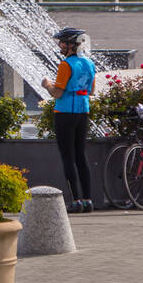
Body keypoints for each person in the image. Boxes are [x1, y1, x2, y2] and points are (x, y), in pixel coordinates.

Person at [40, 26, 96, 213]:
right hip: (83, 111)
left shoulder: (66, 65)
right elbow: (92, 91)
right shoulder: (89, 63)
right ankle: (88, 200)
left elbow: (57, 93)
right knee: (81, 155)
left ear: (71, 45)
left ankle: (76, 201)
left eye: (62, 43)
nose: (60, 46)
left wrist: (47, 85)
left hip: (65, 113)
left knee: (68, 157)